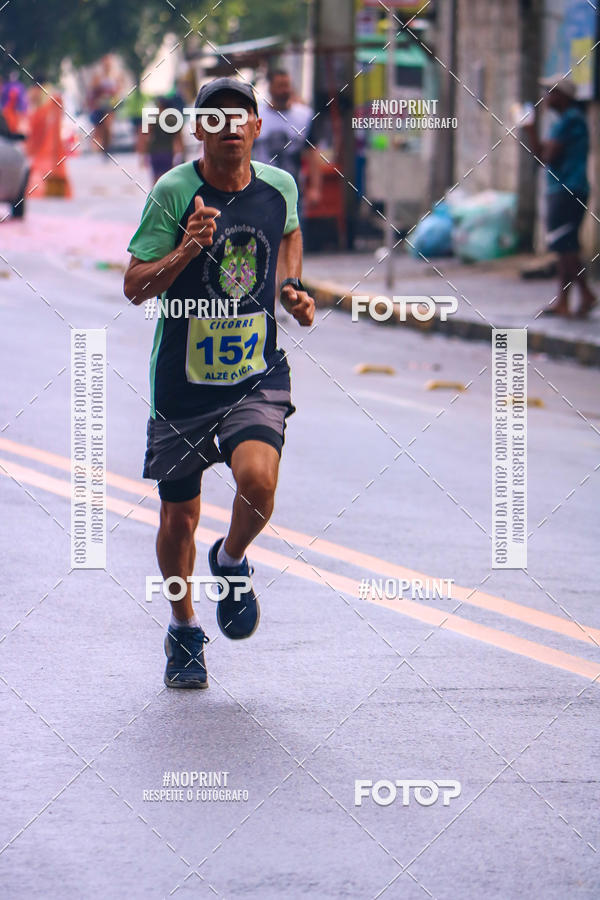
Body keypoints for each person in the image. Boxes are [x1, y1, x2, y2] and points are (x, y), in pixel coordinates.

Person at [124, 77, 315, 690]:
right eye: (217, 118)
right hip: (182, 381)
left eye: (242, 117)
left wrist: (291, 290)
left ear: (258, 127)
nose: (231, 127)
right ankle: (183, 630)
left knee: (258, 481)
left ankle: (230, 560)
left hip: (253, 371)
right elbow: (134, 285)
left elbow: (287, 238)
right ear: (199, 130)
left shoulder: (279, 186)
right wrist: (185, 249)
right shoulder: (174, 191)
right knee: (179, 518)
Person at [523, 75, 596, 318]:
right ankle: (564, 300)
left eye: (551, 92)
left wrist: (530, 130)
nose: (546, 98)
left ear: (563, 96)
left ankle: (585, 294)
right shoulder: (567, 120)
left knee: (566, 246)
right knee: (564, 245)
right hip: (565, 189)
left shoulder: (570, 121)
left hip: (567, 190)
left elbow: (545, 156)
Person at [253, 69, 322, 217]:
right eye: (280, 85)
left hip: (294, 192)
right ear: (270, 87)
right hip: (262, 192)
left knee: (295, 236)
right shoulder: (257, 116)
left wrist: (315, 188)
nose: (285, 90)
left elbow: (312, 152)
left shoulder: (304, 116)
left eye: (287, 85)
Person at [140, 95, 185, 184]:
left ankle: (155, 197)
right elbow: (179, 139)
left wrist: (143, 154)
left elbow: (145, 137)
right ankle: (166, 197)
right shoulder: (173, 120)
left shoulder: (152, 119)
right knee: (168, 178)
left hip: (155, 152)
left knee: (155, 179)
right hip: (168, 153)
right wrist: (182, 154)